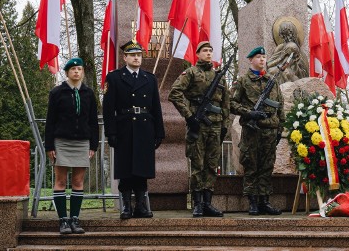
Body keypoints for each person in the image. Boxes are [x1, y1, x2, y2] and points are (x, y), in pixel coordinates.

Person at [103, 40, 164, 219]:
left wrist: (159, 132)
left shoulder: (149, 78)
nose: (136, 58)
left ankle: (141, 206)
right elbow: (108, 109)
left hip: (145, 127)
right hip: (124, 127)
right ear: (125, 57)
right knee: (125, 168)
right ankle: (126, 206)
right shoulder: (114, 77)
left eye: (139, 55)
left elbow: (156, 107)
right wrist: (111, 132)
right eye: (133, 55)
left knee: (142, 168)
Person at [168, 41, 230, 218]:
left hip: (216, 125)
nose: (209, 53)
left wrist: (225, 125)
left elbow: (226, 103)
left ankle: (208, 203)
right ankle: (197, 203)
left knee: (211, 165)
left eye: (211, 50)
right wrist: (188, 116)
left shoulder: (220, 76)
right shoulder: (191, 72)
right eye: (205, 51)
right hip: (198, 124)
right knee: (197, 164)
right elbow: (174, 92)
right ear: (198, 54)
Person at [45, 57, 99, 234]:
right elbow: (50, 121)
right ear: (67, 72)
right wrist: (49, 146)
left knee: (77, 181)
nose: (77, 71)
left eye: (79, 69)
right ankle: (63, 220)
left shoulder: (88, 93)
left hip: (82, 142)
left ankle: (75, 219)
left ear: (83, 72)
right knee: (60, 181)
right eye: (73, 69)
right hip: (61, 141)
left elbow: (93, 121)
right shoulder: (57, 93)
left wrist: (93, 145)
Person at [231, 46, 284, 215]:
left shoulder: (272, 81)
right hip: (252, 131)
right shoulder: (243, 81)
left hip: (270, 130)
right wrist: (249, 112)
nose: (262, 60)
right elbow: (232, 103)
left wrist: (279, 129)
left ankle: (264, 201)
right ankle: (253, 201)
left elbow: (280, 106)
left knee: (267, 167)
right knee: (251, 165)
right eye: (259, 57)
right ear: (251, 60)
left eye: (264, 57)